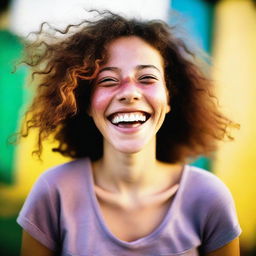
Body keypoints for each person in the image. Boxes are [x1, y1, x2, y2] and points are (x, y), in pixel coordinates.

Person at [16, 10, 241, 256]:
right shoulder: (53, 192)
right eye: (109, 80)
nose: (129, 93)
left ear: (168, 99)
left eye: (146, 78)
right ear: (87, 102)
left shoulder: (209, 198)